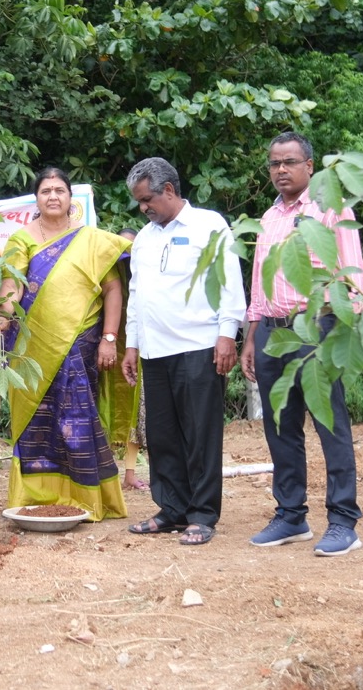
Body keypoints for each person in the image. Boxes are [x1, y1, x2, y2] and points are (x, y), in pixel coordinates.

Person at [241, 132, 363, 557]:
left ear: (309, 166)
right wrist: (251, 336)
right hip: (272, 332)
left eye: (289, 162)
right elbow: (259, 282)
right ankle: (291, 515)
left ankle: (343, 521)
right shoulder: (269, 217)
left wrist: (343, 330)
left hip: (319, 327)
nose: (281, 170)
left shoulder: (331, 208)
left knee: (330, 425)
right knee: (281, 426)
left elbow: (353, 275)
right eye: (274, 163)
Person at [0, 168, 132, 520]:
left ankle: (86, 498)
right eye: (45, 191)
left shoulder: (93, 240)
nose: (52, 196)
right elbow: (12, 284)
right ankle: (36, 496)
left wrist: (109, 338)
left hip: (83, 344)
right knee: (36, 422)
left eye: (59, 190)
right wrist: (2, 315)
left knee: (79, 420)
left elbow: (113, 288)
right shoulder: (22, 239)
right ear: (36, 199)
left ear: (70, 198)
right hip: (32, 349)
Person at [120, 158, 244, 546]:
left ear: (170, 190)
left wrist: (227, 335)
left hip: (199, 347)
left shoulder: (209, 225)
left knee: (200, 435)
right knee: (162, 436)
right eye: (139, 202)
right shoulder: (144, 238)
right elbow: (136, 294)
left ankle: (202, 514)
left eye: (147, 199)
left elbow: (229, 282)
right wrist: (131, 344)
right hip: (154, 351)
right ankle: (172, 510)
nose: (143, 207)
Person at [117, 226, 149, 492]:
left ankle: (132, 473)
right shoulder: (108, 276)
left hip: (141, 347)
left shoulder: (147, 276)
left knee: (139, 413)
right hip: (112, 346)